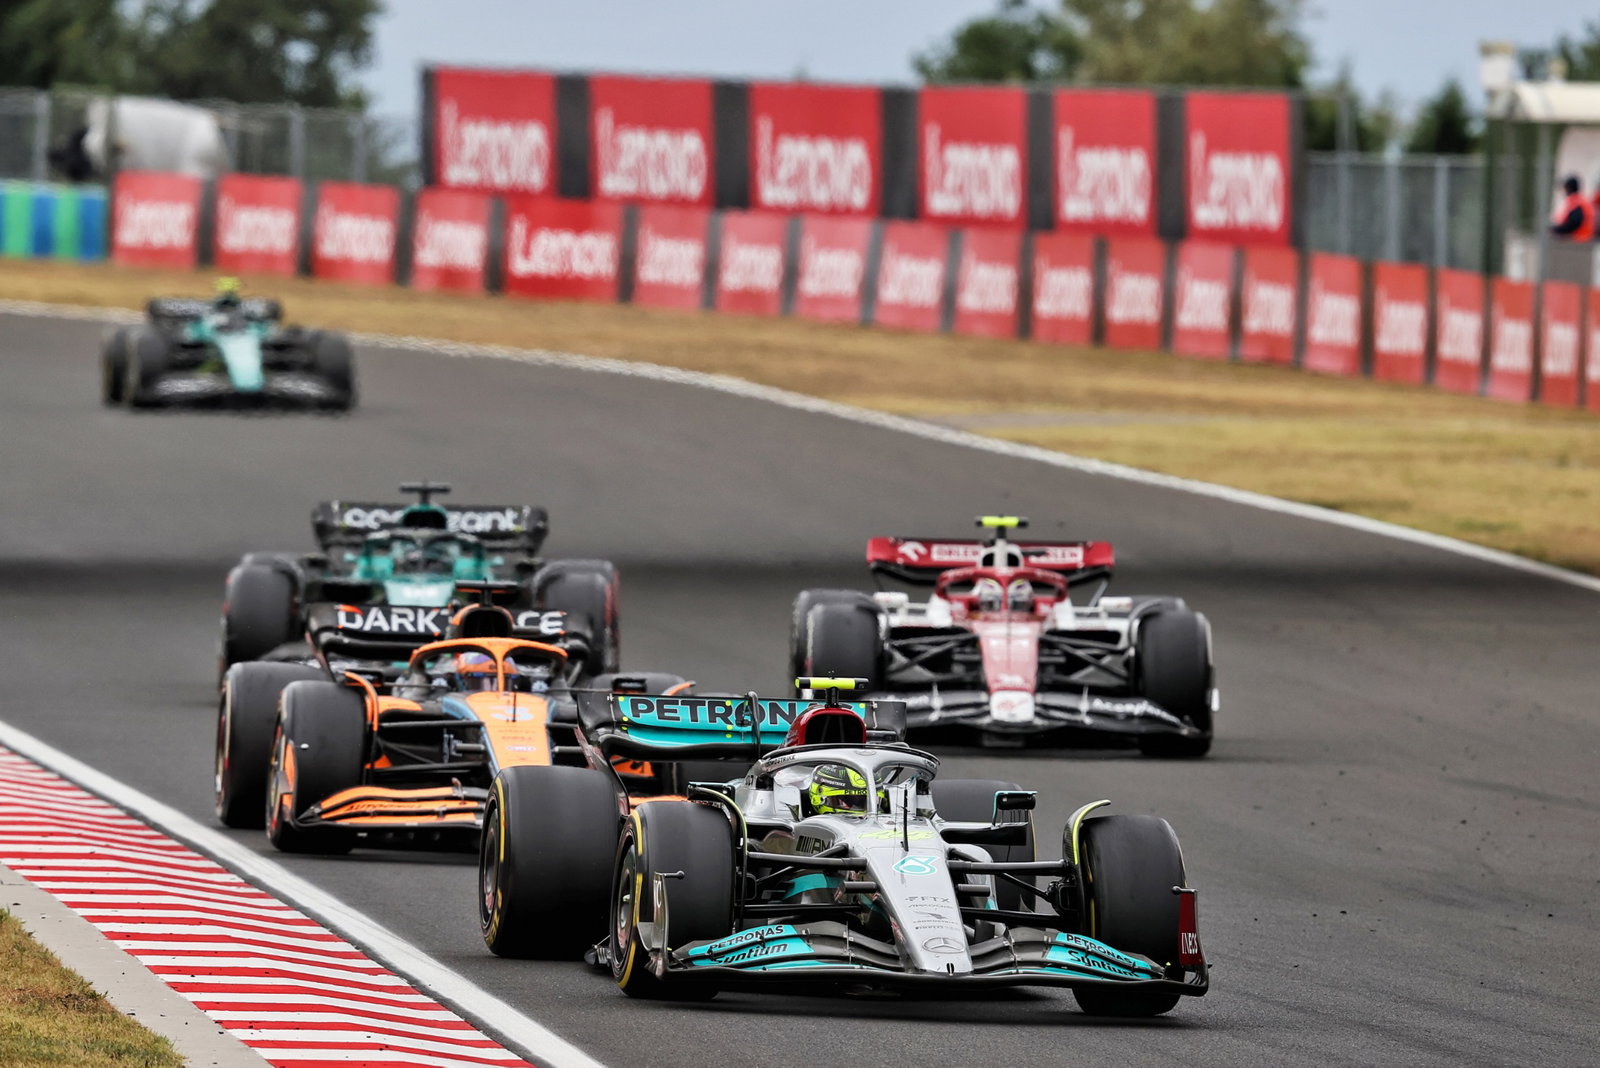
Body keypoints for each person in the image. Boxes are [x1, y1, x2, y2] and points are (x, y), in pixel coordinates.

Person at [1551, 176, 1593, 240]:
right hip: (1580, 239)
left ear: (1568, 188)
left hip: (1579, 240)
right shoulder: (1579, 199)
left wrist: (1557, 230)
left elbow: (1575, 222)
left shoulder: (1576, 201)